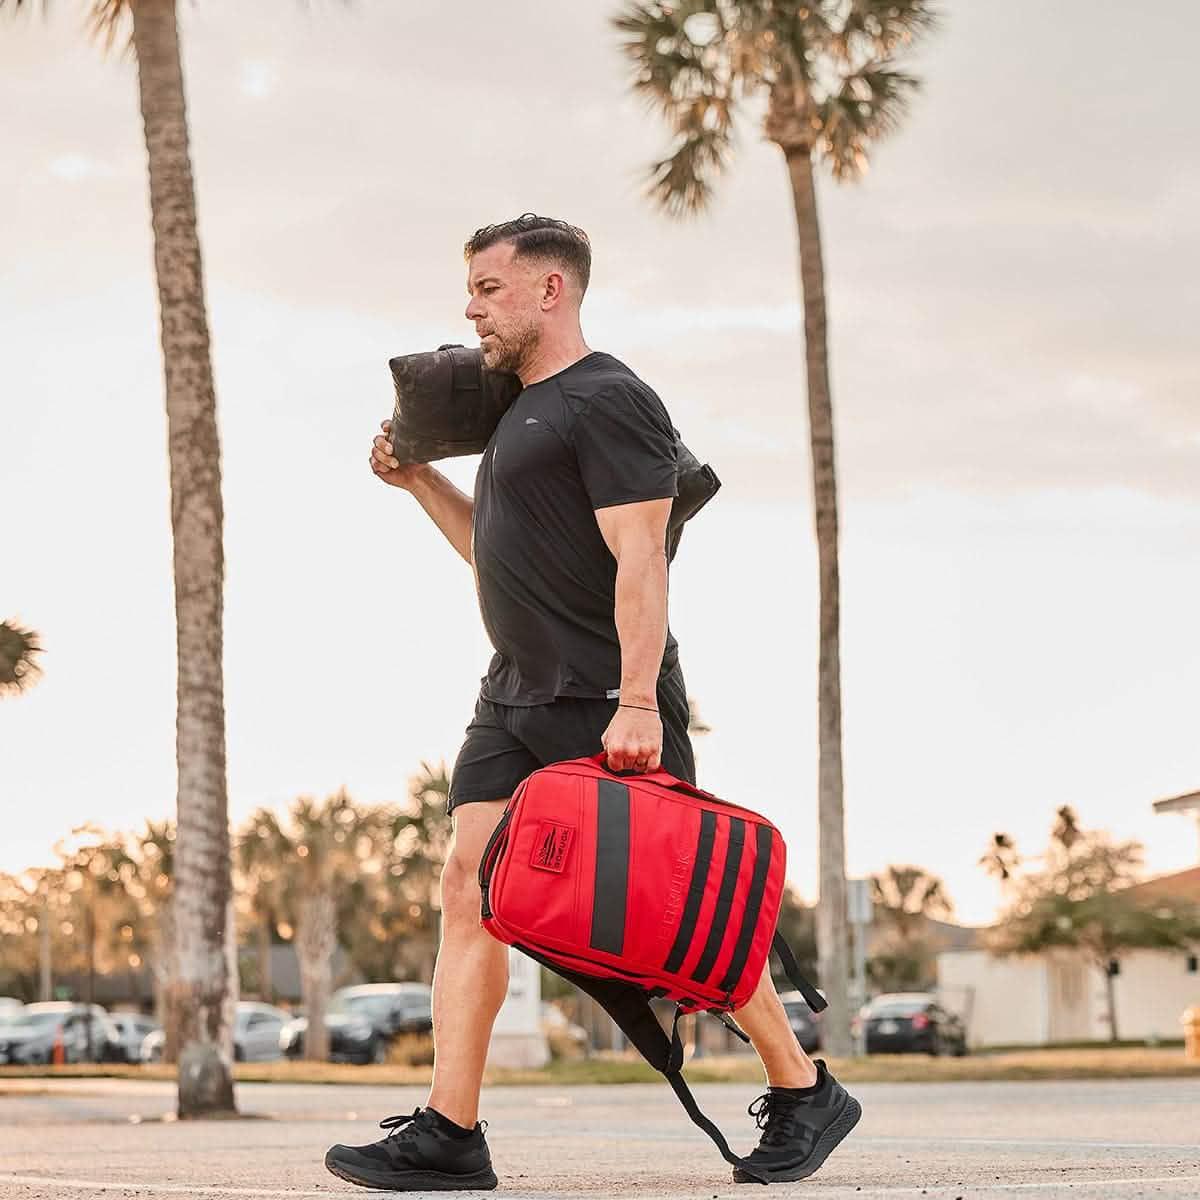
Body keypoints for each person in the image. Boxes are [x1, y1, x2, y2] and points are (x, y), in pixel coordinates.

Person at [324, 214, 859, 1191]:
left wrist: (643, 700)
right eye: (471, 290)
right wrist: (417, 484)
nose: (471, 307)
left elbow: (642, 557)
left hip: (606, 693)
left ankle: (801, 1085)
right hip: (514, 693)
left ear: (549, 291)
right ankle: (451, 1129)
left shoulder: (608, 399)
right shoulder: (519, 420)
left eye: (488, 287)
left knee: (671, 909)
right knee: (467, 889)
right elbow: (494, 562)